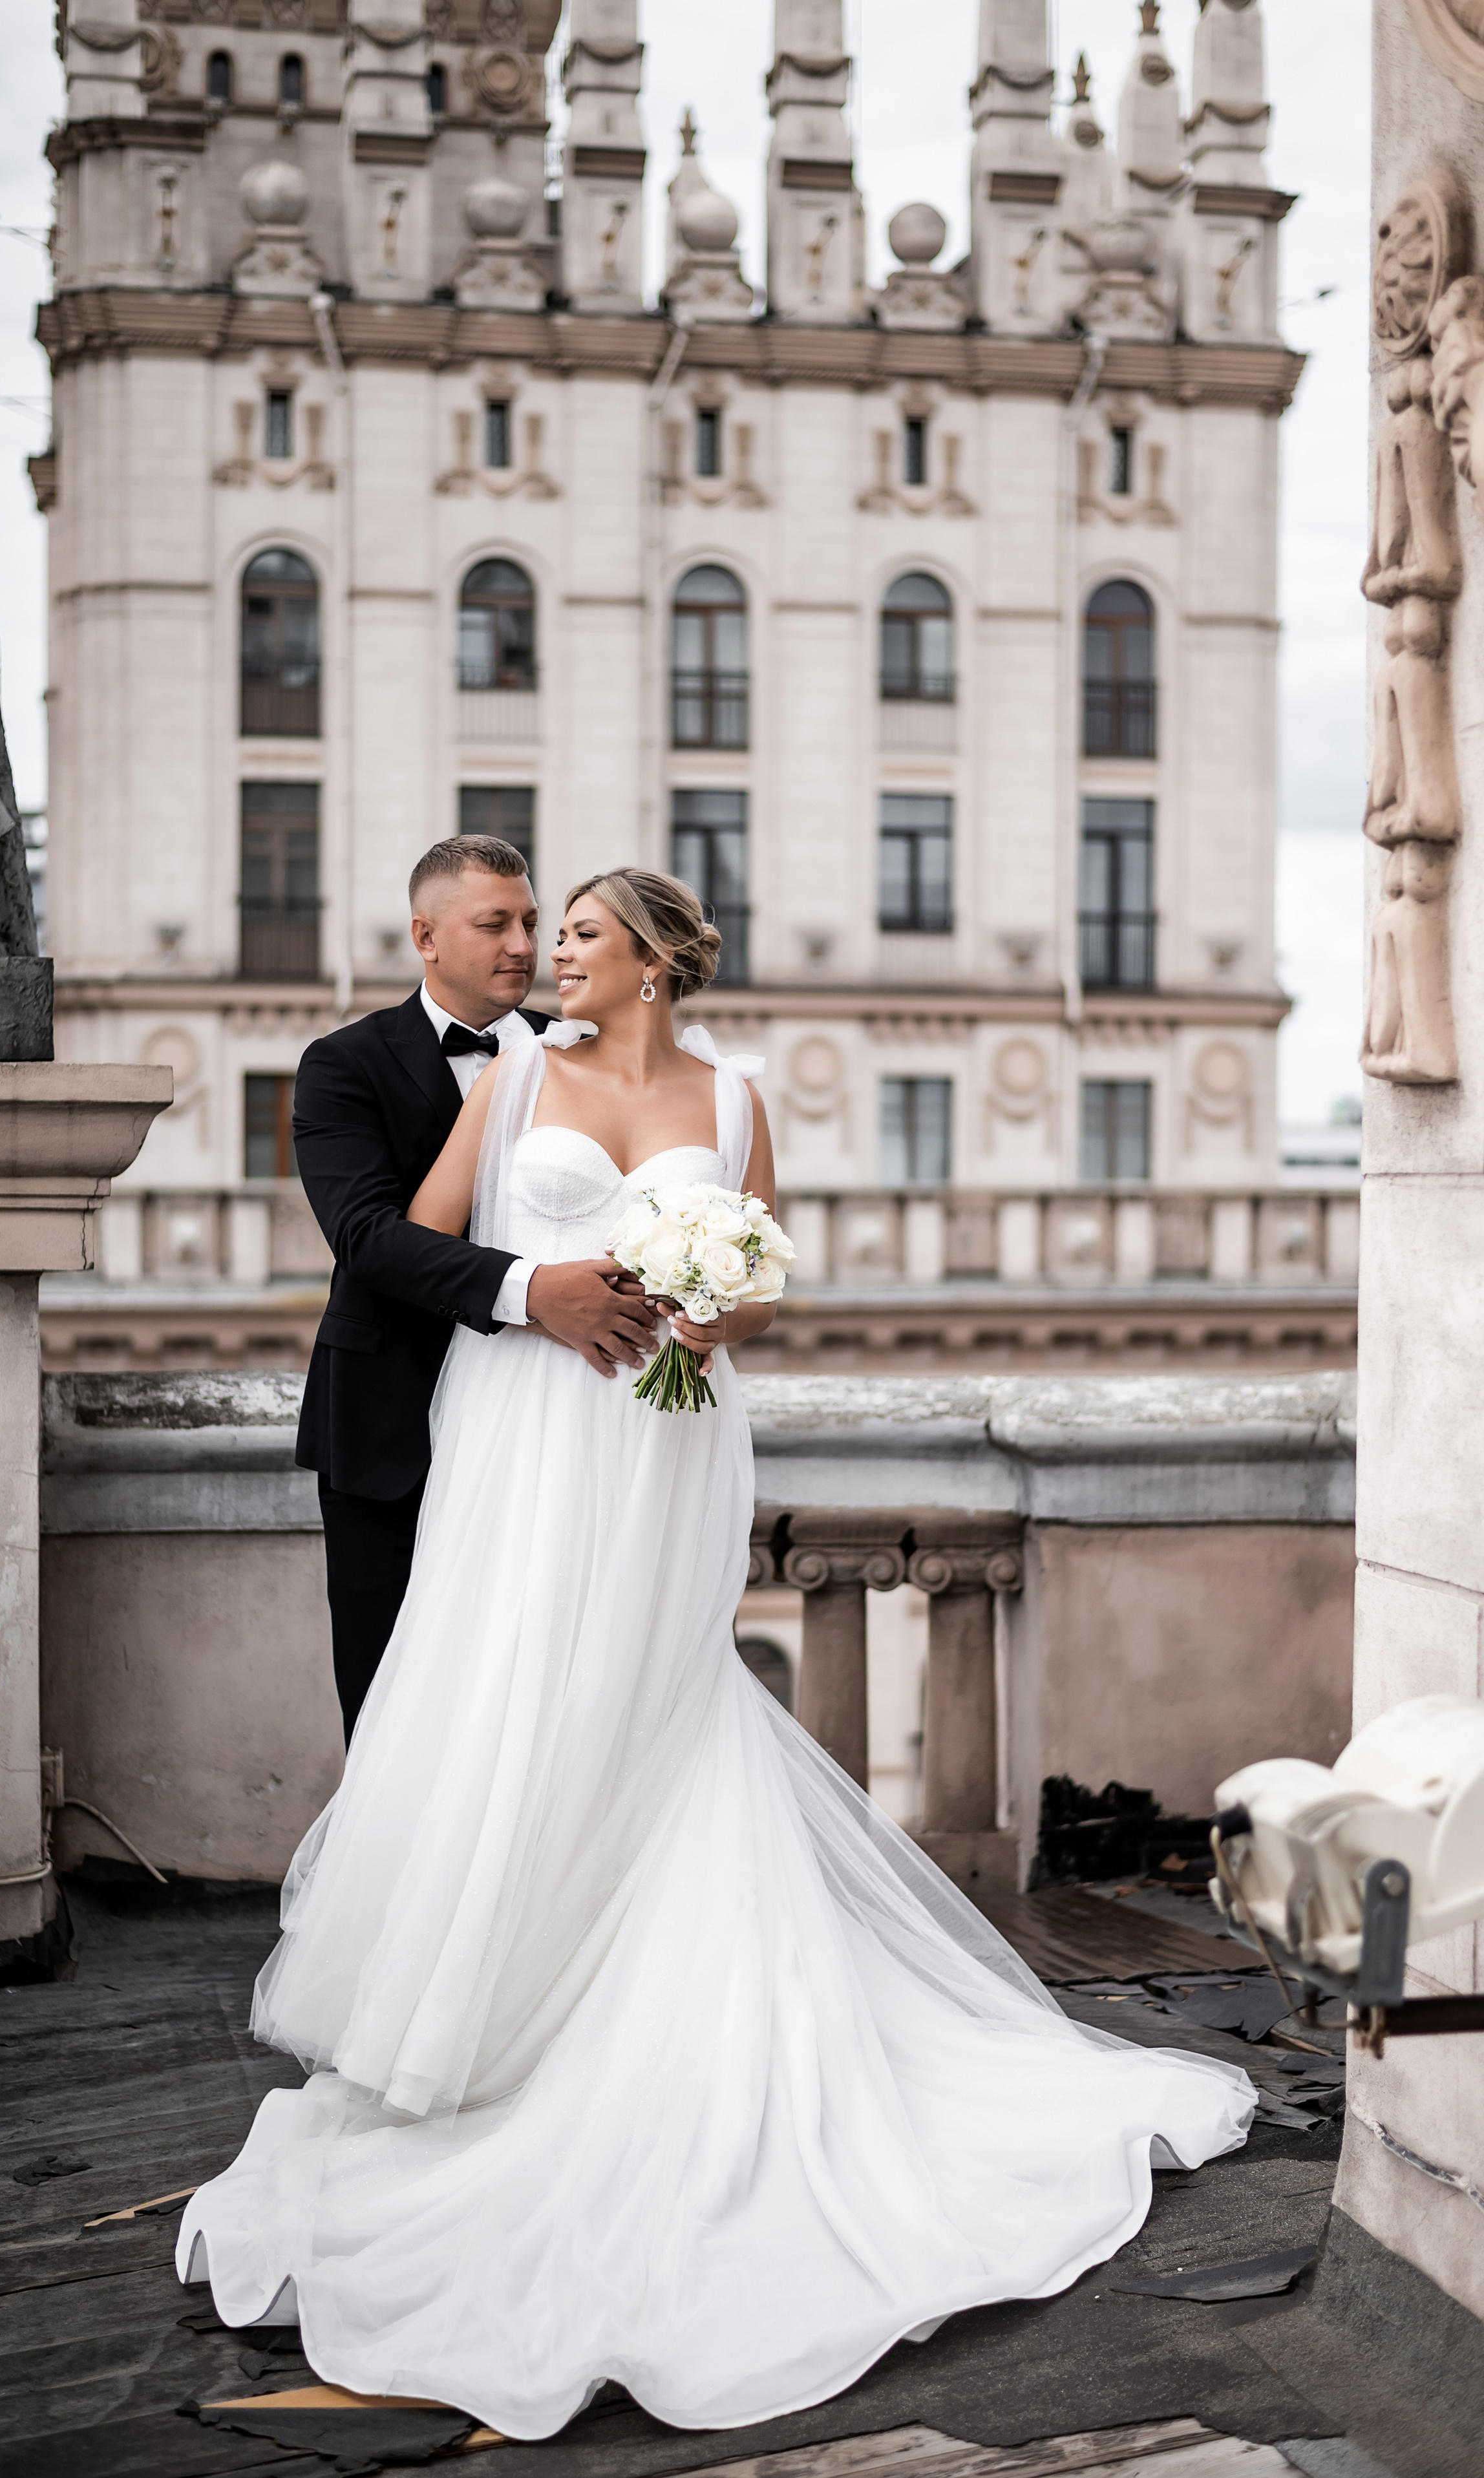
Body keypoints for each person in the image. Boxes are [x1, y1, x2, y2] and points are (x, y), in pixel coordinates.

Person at [180, 868, 1255, 2438]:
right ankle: (486, 2011)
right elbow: (414, 1241)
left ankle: (665, 2019)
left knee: (653, 1697)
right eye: (535, 935)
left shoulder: (736, 1096)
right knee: (513, 1699)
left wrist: (708, 1302)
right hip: (521, 1426)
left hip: (664, 1437)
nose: (550, 953)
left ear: (652, 964)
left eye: (576, 936)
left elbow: (760, 1283)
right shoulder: (523, 1074)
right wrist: (546, 1299)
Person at [292, 834, 659, 1741]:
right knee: (391, 1712)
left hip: (555, 1426)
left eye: (533, 923)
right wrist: (533, 1291)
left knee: (540, 1704)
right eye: (495, 924)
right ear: (425, 935)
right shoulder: (341, 1065)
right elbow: (369, 1238)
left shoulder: (583, 1058)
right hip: (391, 1429)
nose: (525, 947)